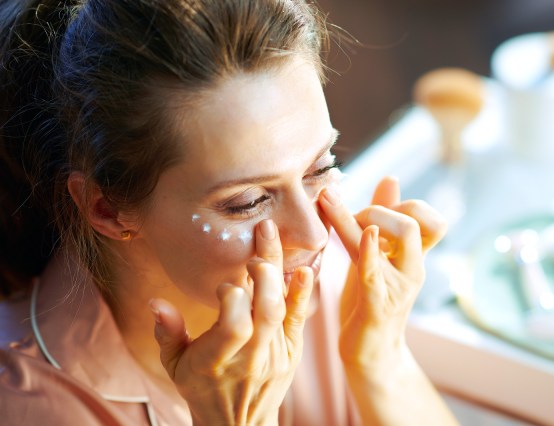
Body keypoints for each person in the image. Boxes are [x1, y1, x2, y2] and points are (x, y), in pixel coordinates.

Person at [0, 0, 456, 424]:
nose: (316, 234)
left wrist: (380, 355)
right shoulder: (30, 403)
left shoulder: (327, 276)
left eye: (321, 167)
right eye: (248, 202)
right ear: (108, 209)